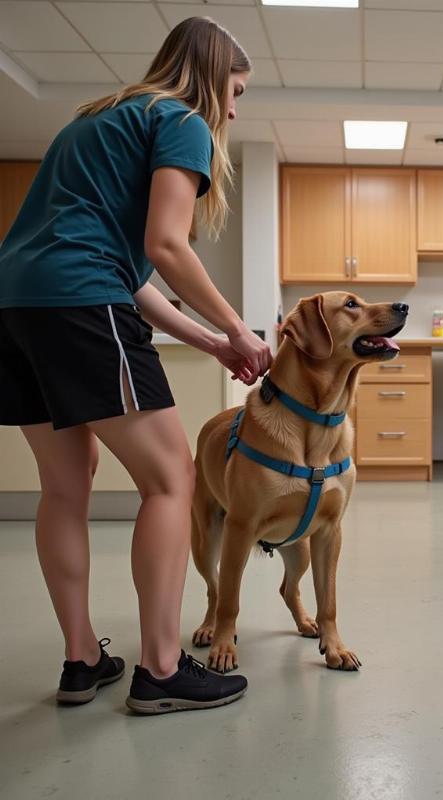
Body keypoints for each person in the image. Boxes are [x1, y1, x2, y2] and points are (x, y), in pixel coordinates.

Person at [0, 17, 272, 712]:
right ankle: (158, 668)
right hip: (78, 305)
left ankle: (82, 658)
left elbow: (134, 273)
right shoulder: (181, 119)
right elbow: (169, 245)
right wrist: (240, 330)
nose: (234, 108)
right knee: (172, 479)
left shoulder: (95, 121)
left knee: (66, 485)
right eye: (235, 89)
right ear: (212, 76)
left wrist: (212, 343)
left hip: (15, 307)